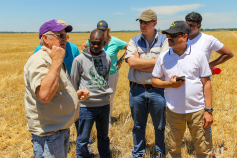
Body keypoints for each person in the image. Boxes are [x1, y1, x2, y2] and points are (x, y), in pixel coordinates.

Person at [24, 19, 89, 158]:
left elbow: (54, 88)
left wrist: (74, 94)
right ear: (45, 38)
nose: (64, 39)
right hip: (49, 136)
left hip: (58, 131)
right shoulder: (39, 60)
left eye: (65, 36)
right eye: (59, 36)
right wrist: (58, 60)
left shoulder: (51, 59)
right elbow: (45, 95)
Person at [152, 21, 213, 157]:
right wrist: (169, 84)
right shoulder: (163, 57)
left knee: (204, 150)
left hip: (197, 111)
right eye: (168, 34)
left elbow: (207, 83)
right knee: (172, 150)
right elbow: (154, 81)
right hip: (173, 112)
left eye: (173, 35)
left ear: (184, 37)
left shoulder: (198, 55)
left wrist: (208, 111)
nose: (169, 37)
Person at [185, 12, 234, 155]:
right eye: (187, 25)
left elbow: (228, 53)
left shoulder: (208, 40)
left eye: (192, 26)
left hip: (201, 83)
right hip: (182, 84)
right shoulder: (181, 38)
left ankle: (208, 149)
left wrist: (209, 66)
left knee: (202, 116)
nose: (188, 29)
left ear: (199, 26)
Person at [125, 9, 169, 157]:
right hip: (137, 90)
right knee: (138, 126)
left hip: (158, 90)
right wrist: (154, 63)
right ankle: (138, 153)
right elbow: (131, 62)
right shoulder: (134, 40)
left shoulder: (165, 40)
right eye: (141, 22)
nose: (142, 25)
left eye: (146, 22)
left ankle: (160, 152)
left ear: (155, 23)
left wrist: (140, 62)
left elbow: (165, 64)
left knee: (160, 126)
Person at [71, 29, 113, 158]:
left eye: (98, 43)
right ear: (89, 42)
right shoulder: (79, 60)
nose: (95, 46)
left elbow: (105, 79)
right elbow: (74, 83)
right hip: (86, 107)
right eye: (93, 43)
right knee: (83, 139)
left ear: (104, 43)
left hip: (104, 105)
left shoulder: (107, 58)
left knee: (104, 137)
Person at [81, 20, 128, 126]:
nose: (100, 32)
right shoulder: (95, 39)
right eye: (99, 30)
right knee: (95, 97)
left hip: (111, 74)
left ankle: (107, 122)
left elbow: (130, 47)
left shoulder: (115, 41)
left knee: (109, 98)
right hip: (96, 75)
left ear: (107, 30)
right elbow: (83, 46)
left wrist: (121, 60)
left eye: (103, 30)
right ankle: (96, 119)